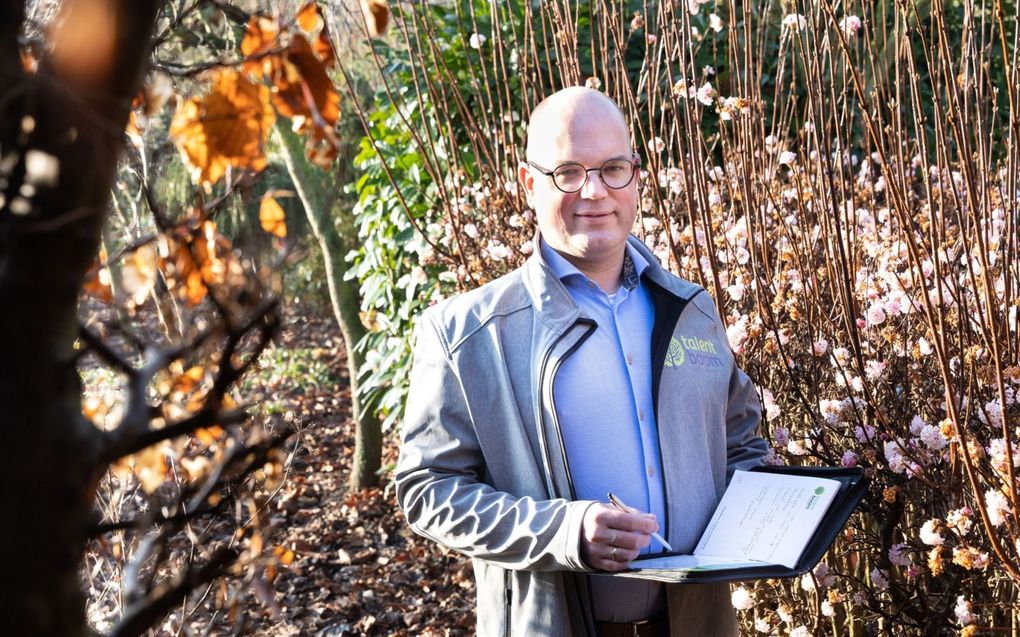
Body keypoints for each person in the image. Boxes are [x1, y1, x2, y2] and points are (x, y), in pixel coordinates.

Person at [395, 86, 768, 637]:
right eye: (568, 172)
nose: (594, 192)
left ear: (636, 176)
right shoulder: (467, 333)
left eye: (613, 168)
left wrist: (775, 521)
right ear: (529, 184)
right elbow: (428, 489)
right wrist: (564, 531)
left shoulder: (690, 310)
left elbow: (740, 444)